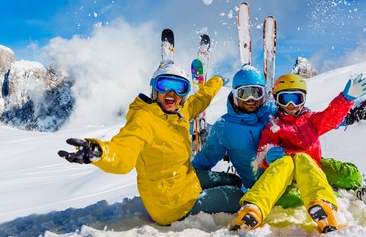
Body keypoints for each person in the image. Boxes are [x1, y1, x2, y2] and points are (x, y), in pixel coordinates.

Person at [58, 63, 244, 226]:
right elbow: (124, 151)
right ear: (154, 89)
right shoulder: (144, 120)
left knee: (234, 181)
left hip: (185, 181)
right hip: (172, 205)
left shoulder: (178, 112)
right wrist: (99, 152)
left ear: (184, 94)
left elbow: (200, 99)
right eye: (165, 85)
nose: (171, 93)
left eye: (179, 87)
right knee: (239, 196)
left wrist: (217, 81)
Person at [191, 65, 366, 209]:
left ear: (266, 94)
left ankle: (339, 188)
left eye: (256, 93)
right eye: (244, 94)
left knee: (343, 173)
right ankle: (331, 196)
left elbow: (317, 120)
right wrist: (186, 178)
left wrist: (348, 108)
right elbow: (205, 159)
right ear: (234, 94)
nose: (251, 100)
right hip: (267, 181)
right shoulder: (224, 127)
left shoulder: (275, 111)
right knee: (292, 199)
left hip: (307, 165)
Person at [230, 73, 366, 233]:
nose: (291, 104)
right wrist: (267, 156)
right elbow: (263, 152)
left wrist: (345, 99)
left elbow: (330, 118)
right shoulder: (273, 127)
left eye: (296, 98)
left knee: (343, 173)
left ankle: (321, 201)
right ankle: (254, 208)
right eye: (285, 99)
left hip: (312, 166)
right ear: (277, 100)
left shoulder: (311, 120)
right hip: (287, 173)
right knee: (286, 169)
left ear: (303, 99)